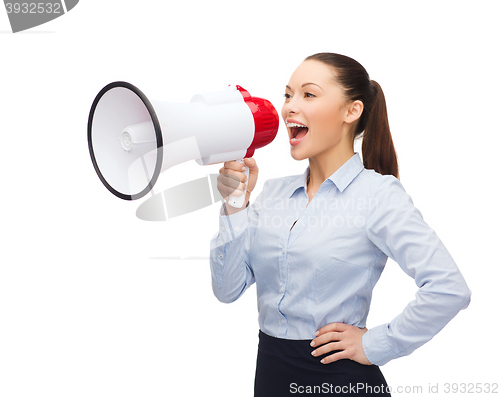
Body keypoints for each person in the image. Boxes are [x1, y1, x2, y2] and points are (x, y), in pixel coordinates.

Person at [210, 53, 471, 396]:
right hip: (271, 376)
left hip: (340, 382)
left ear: (352, 111)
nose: (289, 106)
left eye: (309, 94)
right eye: (288, 94)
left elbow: (449, 289)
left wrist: (377, 344)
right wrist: (234, 203)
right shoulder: (273, 193)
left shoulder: (378, 195)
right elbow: (227, 289)